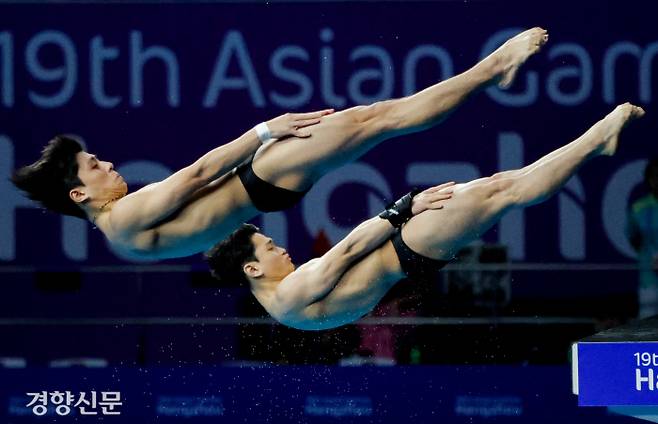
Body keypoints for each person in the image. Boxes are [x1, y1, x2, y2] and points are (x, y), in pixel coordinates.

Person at [11, 28, 548, 260]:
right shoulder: (123, 220)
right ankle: (496, 66)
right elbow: (198, 175)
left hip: (262, 190)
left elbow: (203, 224)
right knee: (382, 118)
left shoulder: (124, 236)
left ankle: (490, 72)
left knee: (381, 120)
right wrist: (265, 132)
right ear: (80, 195)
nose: (106, 164)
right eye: (93, 166)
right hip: (260, 178)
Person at [206, 104, 644, 330]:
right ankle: (597, 141)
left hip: (409, 257)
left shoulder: (284, 310)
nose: (281, 247)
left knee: (502, 188)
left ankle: (595, 142)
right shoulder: (291, 294)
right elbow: (348, 250)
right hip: (407, 246)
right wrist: (402, 209)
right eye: (269, 247)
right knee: (503, 190)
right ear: (251, 268)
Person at [627, 157, 658, 318]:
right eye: (654, 176)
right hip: (649, 280)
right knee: (647, 325)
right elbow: (633, 238)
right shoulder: (639, 207)